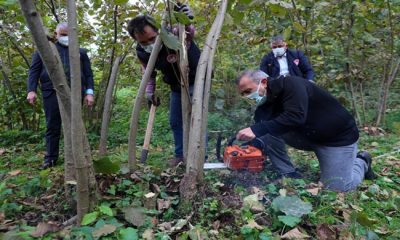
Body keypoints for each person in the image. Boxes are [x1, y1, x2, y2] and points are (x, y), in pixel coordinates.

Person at [235, 70, 376, 192]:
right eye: (243, 94)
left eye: (248, 91)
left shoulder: (292, 84)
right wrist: (244, 151)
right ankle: (288, 172)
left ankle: (362, 161)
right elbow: (261, 131)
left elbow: (295, 117)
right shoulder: (263, 106)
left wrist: (257, 129)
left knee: (337, 188)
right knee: (264, 131)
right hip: (307, 136)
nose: (247, 96)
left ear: (264, 82)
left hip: (335, 139)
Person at [127, 4, 201, 167]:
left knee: (195, 119)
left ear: (159, 31)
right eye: (143, 41)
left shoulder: (173, 34)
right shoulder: (141, 51)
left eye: (152, 39)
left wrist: (186, 21)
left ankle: (200, 157)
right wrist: (149, 92)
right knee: (175, 121)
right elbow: (148, 73)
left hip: (197, 80)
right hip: (175, 84)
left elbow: (189, 36)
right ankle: (180, 156)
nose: (149, 44)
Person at [26, 22, 95, 169]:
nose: (66, 37)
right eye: (63, 35)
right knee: (53, 125)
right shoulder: (44, 51)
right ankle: (50, 158)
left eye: (69, 34)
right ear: (56, 35)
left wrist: (89, 93)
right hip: (51, 92)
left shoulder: (81, 52)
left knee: (76, 125)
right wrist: (31, 90)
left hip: (76, 93)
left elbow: (88, 75)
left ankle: (78, 156)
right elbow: (34, 72)